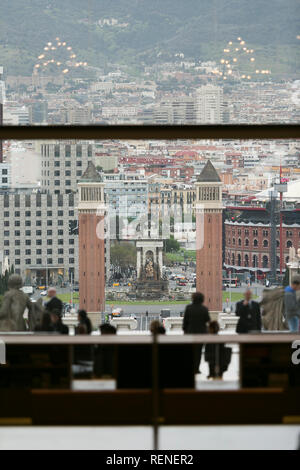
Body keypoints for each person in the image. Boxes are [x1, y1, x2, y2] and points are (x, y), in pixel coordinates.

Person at [183, 292, 210, 373]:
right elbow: (208, 320)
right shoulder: (204, 308)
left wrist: (185, 331)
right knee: (198, 352)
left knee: (190, 352)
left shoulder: (188, 308)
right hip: (201, 333)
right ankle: (196, 369)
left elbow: (185, 321)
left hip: (190, 332)